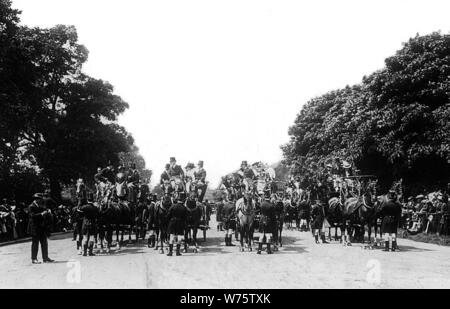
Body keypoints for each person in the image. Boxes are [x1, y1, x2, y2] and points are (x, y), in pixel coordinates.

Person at [28, 193, 54, 264]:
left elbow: (45, 210)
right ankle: (34, 258)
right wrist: (42, 214)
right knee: (35, 243)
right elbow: (33, 216)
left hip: (41, 227)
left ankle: (45, 258)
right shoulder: (31, 206)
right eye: (40, 199)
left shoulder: (40, 206)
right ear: (36, 199)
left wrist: (48, 211)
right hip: (34, 227)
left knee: (44, 243)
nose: (41, 201)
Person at [166, 192, 187, 256]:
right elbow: (185, 217)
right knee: (179, 237)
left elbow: (168, 215)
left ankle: (170, 252)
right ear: (182, 201)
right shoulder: (184, 208)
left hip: (172, 223)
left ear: (177, 200)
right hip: (180, 223)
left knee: (172, 237)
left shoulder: (173, 206)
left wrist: (169, 221)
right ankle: (178, 252)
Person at [79, 192, 99, 256]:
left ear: (87, 200)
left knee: (85, 237)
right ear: (93, 200)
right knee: (91, 237)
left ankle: (84, 252)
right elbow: (97, 215)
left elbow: (79, 210)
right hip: (92, 224)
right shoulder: (95, 208)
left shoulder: (84, 207)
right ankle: (90, 252)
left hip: (85, 224)